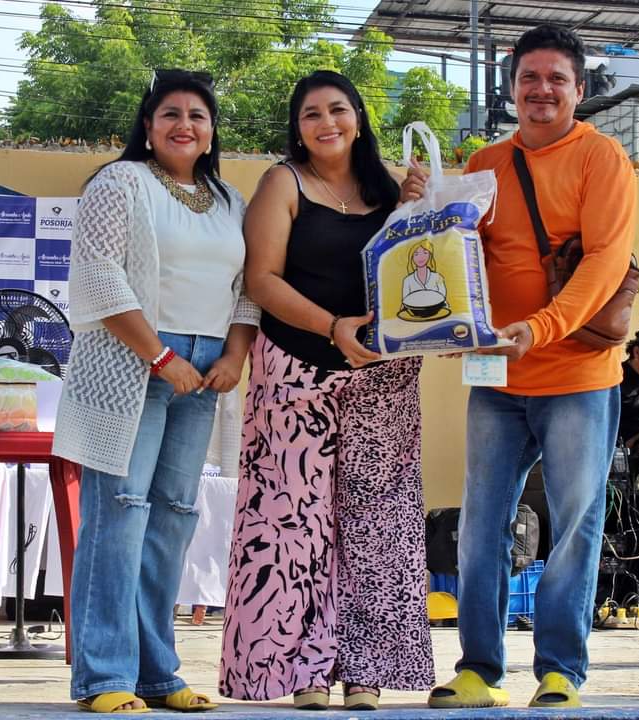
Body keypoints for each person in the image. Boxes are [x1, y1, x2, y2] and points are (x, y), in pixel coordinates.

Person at [405, 25, 636, 709]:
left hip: (579, 377)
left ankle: (560, 670)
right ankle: (480, 670)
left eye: (556, 78)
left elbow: (604, 262)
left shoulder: (601, 158)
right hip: (496, 379)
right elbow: (457, 253)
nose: (542, 90)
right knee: (480, 526)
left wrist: (538, 329)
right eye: (529, 78)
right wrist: (421, 208)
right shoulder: (486, 162)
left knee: (574, 526)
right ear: (511, 89)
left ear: (579, 90)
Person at [220, 70, 435, 711]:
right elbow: (261, 280)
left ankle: (366, 671)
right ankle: (301, 673)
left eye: (338, 109)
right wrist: (332, 327)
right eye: (311, 113)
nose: (326, 122)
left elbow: (418, 272)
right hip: (294, 370)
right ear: (298, 128)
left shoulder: (391, 189)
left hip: (383, 379)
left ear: (359, 119)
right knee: (292, 526)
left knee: (379, 524)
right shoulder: (282, 183)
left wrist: (417, 209)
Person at [51, 69, 257, 714]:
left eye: (198, 115)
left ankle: (158, 674)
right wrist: (161, 357)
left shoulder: (229, 200)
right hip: (133, 362)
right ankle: (103, 677)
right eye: (170, 114)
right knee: (120, 514)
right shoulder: (121, 182)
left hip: (205, 371)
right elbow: (98, 275)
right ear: (148, 126)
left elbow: (248, 288)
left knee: (172, 517)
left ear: (212, 130)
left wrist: (235, 355)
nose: (184, 125)